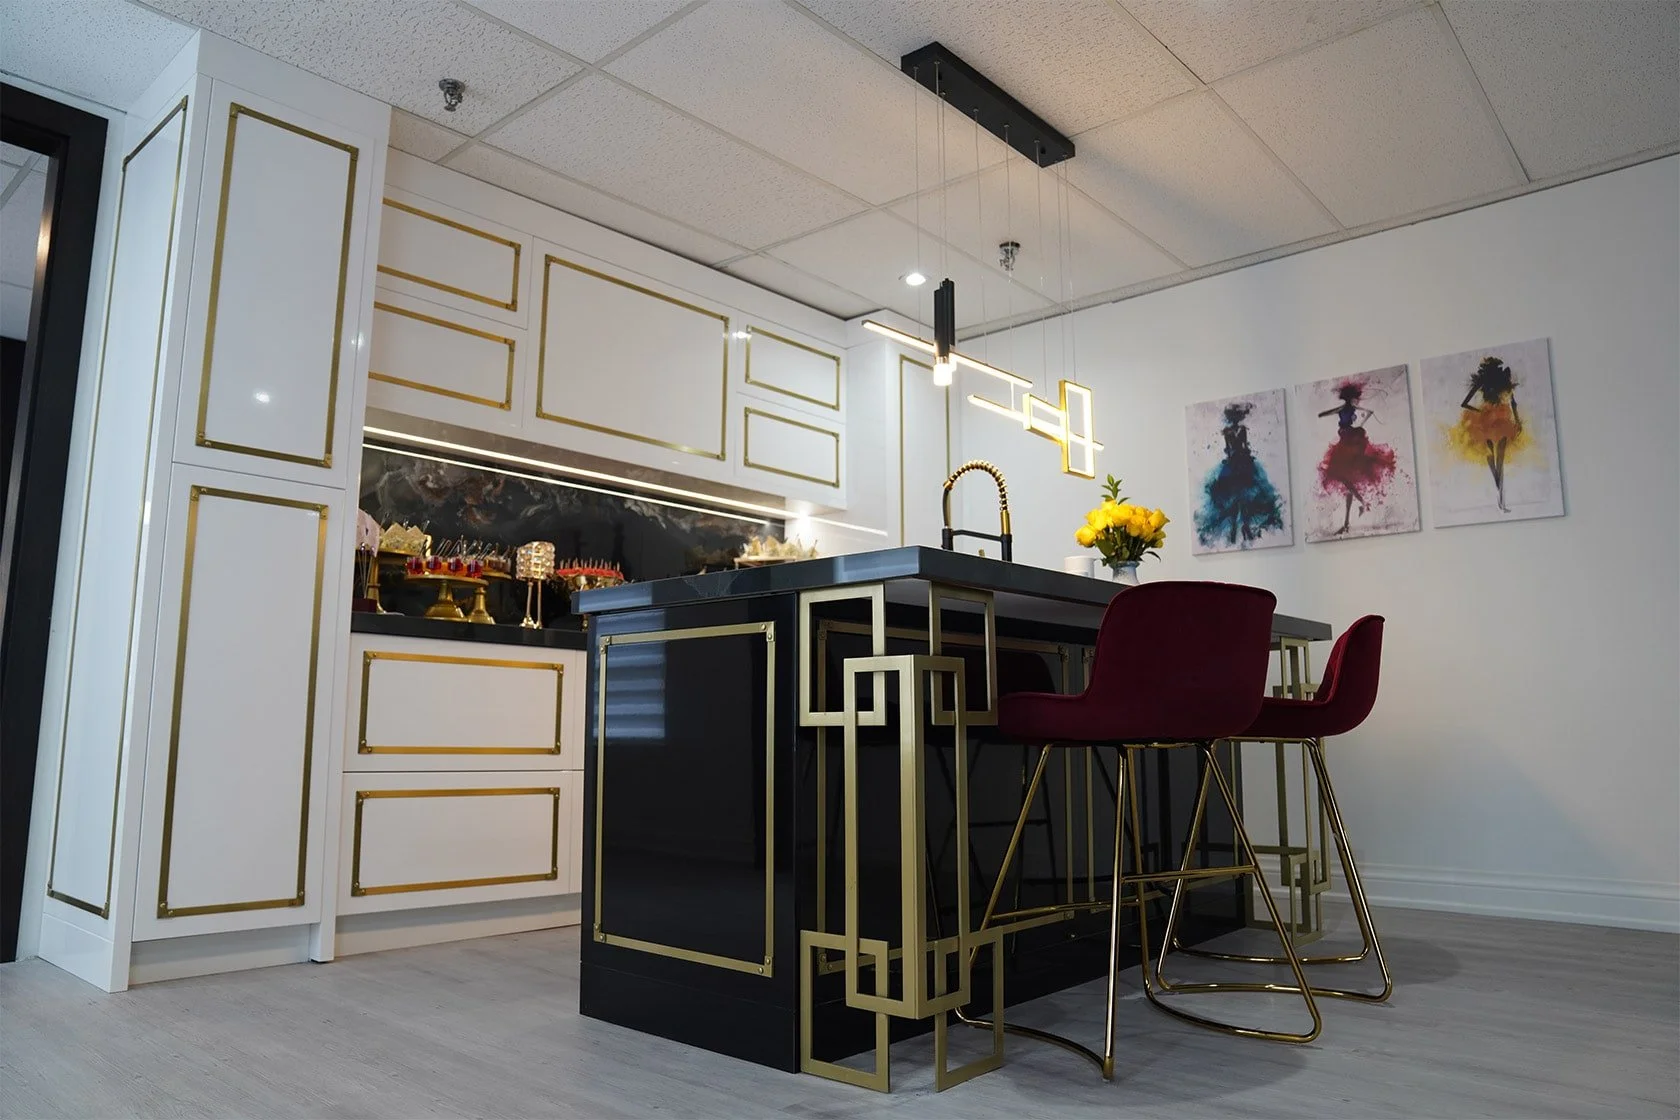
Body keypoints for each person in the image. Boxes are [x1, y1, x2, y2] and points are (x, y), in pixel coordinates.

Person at [1195, 401, 1284, 548]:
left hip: (1243, 464)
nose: (1236, 421)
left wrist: (1244, 453)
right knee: (1233, 501)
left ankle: (1246, 528)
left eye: (1237, 417)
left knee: (1246, 500)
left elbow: (1244, 445)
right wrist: (1233, 453)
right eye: (1234, 418)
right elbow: (1228, 448)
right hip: (1232, 466)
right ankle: (1234, 531)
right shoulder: (1228, 432)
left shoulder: (1242, 430)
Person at [1316, 381, 1397, 535]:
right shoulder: (1349, 408)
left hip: (1349, 445)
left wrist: (1358, 420)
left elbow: (1324, 414)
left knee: (1344, 479)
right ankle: (1347, 523)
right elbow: (1368, 412)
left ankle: (1363, 502)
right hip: (1348, 442)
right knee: (1347, 484)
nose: (1352, 400)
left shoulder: (1345, 408)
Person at [1450, 356, 1526, 513]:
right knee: (1499, 460)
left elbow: (1465, 403)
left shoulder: (1483, 381)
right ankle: (1501, 499)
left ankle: (1500, 496)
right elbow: (1513, 402)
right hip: (1501, 417)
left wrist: (1480, 412)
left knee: (1493, 458)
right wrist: (1517, 421)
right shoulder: (1503, 378)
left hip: (1487, 419)